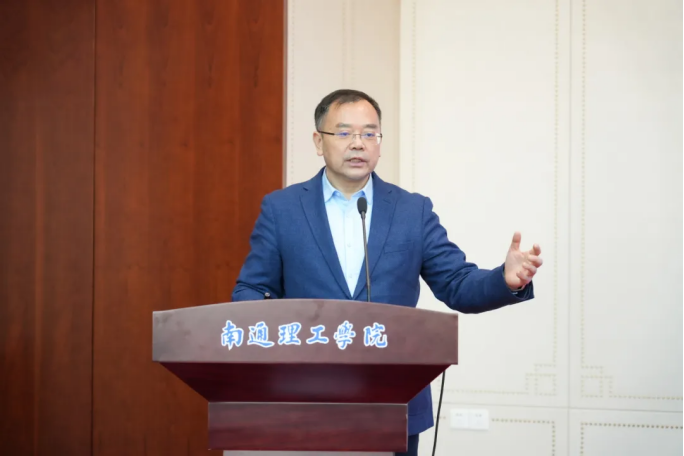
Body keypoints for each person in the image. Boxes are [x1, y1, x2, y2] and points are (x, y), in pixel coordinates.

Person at [231, 89, 543, 456]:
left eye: (370, 133)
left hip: (394, 400)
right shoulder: (282, 209)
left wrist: (504, 280)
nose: (358, 143)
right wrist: (276, 332)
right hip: (304, 399)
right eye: (344, 133)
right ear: (318, 141)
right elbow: (252, 289)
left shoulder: (412, 211)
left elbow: (457, 283)